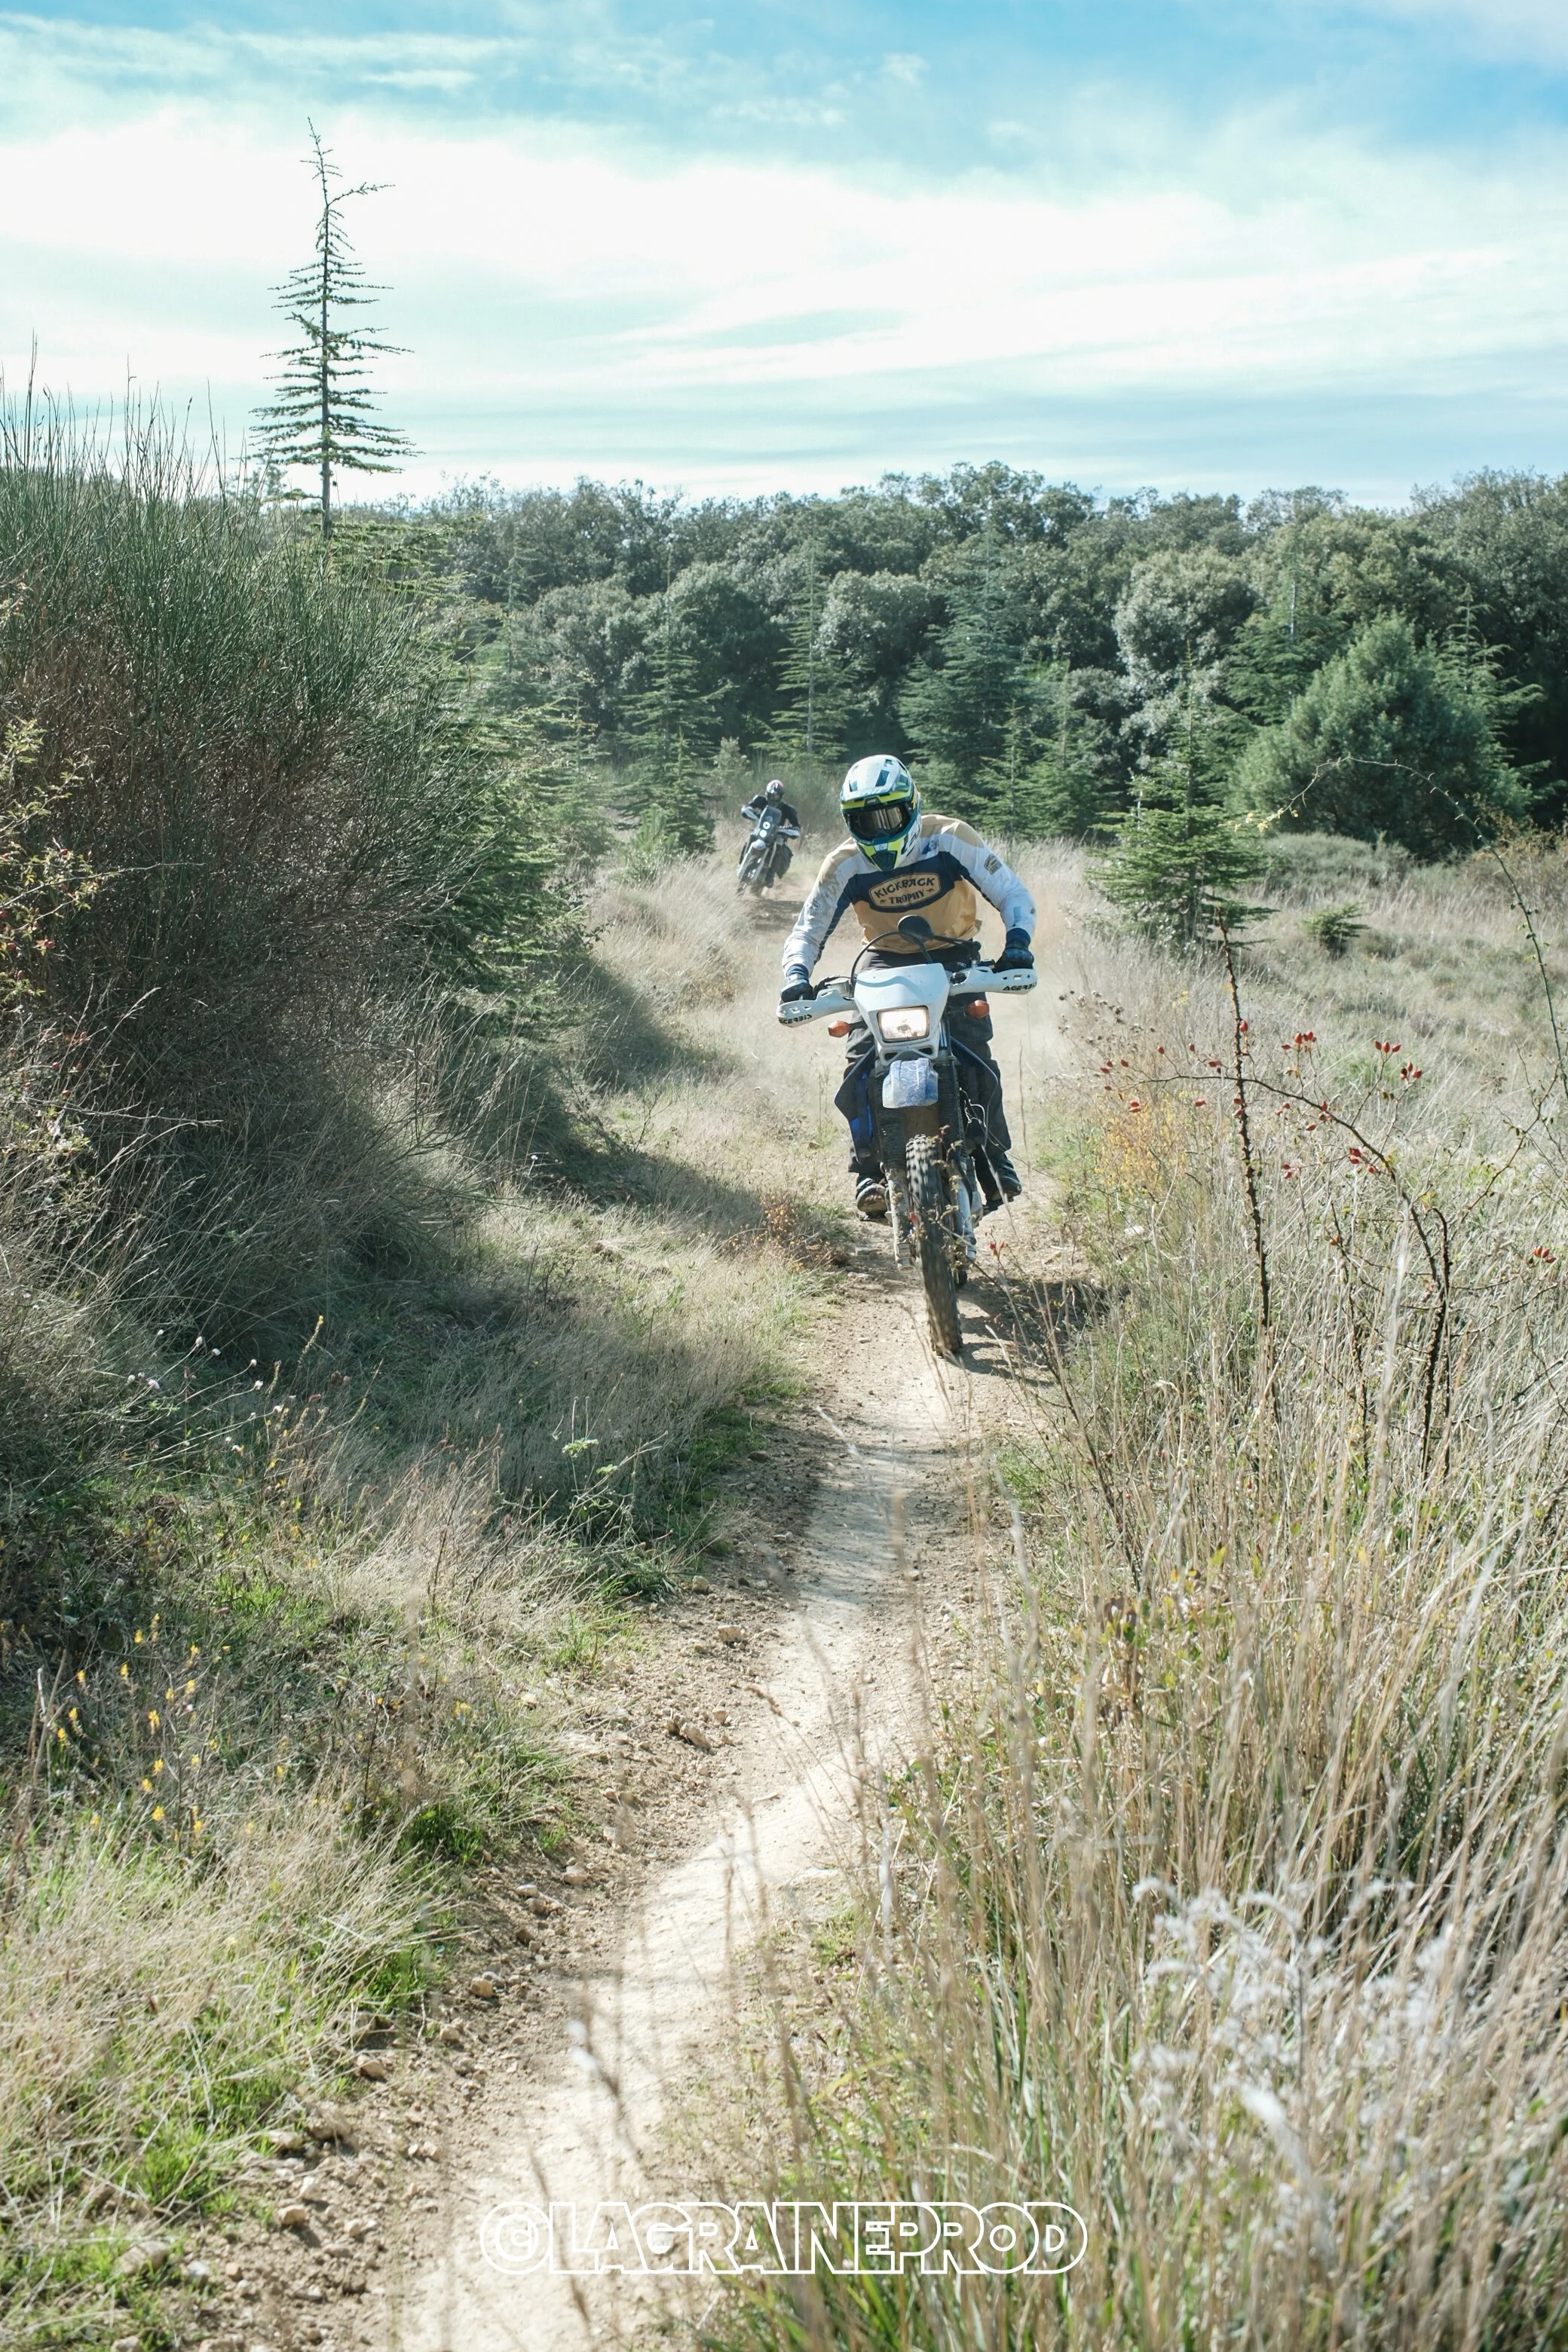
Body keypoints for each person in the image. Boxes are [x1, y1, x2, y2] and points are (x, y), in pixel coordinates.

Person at [779, 755, 1035, 1218]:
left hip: (954, 955)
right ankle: (869, 1172)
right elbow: (808, 928)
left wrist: (1017, 944)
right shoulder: (845, 864)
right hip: (882, 963)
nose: (877, 830)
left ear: (912, 806)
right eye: (863, 820)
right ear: (848, 822)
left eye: (888, 816)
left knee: (974, 1053)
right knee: (860, 1059)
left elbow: (1012, 892)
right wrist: (796, 976)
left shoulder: (951, 839)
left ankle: (992, 1157)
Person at [738, 777, 801, 880]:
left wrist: (787, 830)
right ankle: (741, 864)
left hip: (777, 834)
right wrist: (754, 815)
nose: (773, 798)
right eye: (771, 795)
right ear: (767, 794)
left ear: (781, 796)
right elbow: (747, 807)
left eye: (776, 796)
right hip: (761, 830)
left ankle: (770, 877)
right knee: (752, 836)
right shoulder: (760, 800)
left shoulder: (787, 809)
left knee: (779, 845)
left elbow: (797, 827)